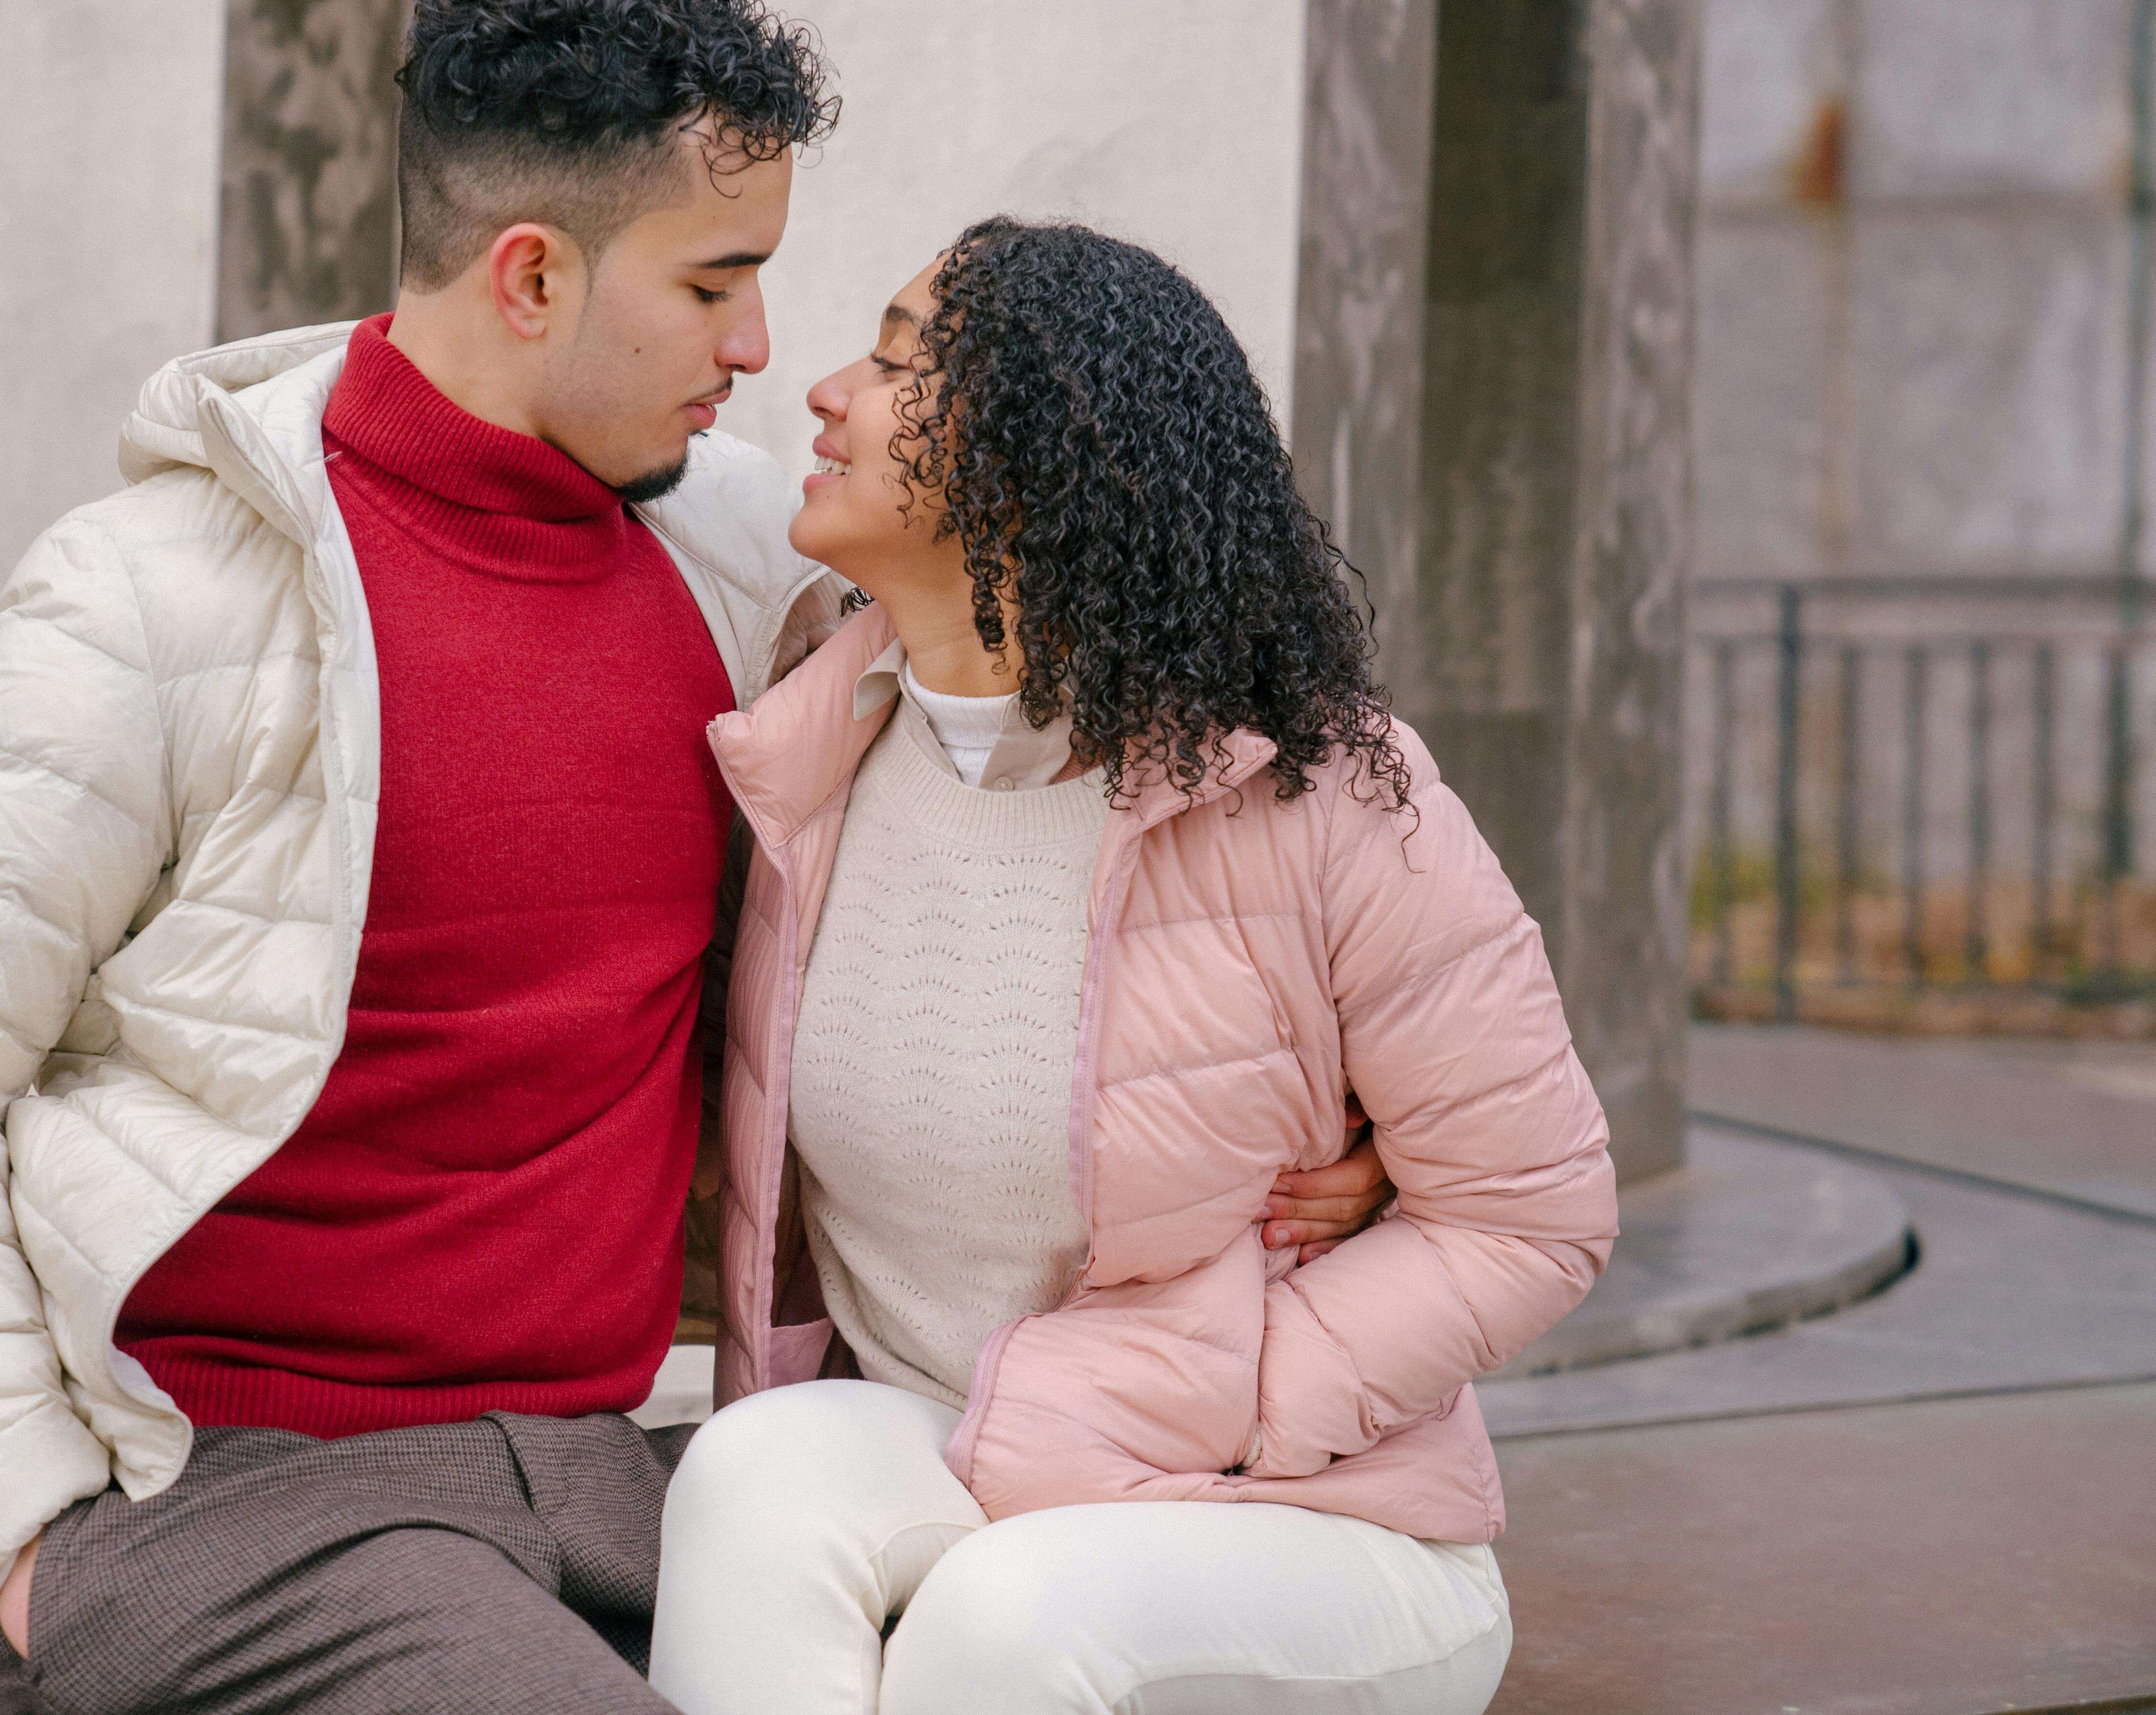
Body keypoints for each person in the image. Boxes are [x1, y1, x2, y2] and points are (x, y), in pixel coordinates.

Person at [0, 0, 1392, 1714]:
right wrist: (22, 1535)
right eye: (714, 283)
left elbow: (1084, 734)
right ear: (533, 274)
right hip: (239, 1509)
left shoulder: (745, 578)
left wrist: (1372, 1104)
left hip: (616, 1483)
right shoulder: (151, 601)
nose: (764, 346)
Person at [647, 219, 1620, 1715]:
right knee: (749, 1476)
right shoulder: (810, 751)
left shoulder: (1325, 797)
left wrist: (1238, 1406)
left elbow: (1534, 1212)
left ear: (1038, 466)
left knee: (1005, 1619)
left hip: (1304, 1518)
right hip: (954, 1436)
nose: (824, 391)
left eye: (899, 359)